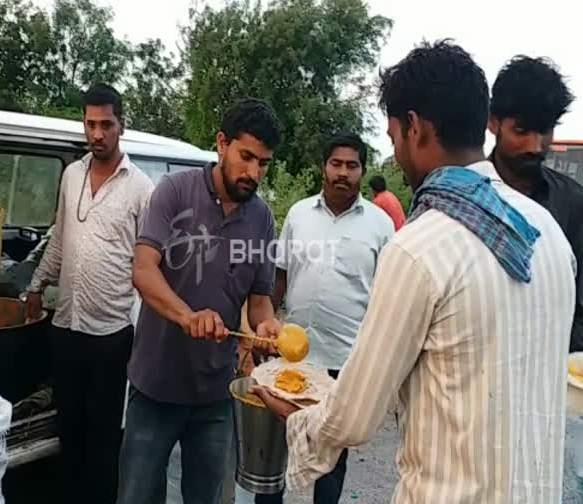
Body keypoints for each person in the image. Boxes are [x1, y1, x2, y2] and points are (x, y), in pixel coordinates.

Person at [251, 40, 576, 502]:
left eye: (392, 138)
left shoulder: (420, 246)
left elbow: (354, 418)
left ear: (414, 127)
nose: (397, 156)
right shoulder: (547, 235)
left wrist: (295, 414)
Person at [118, 98, 284, 504]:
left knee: (206, 498)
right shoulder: (175, 192)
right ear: (222, 143)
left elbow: (259, 300)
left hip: (215, 396)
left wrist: (265, 326)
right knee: (137, 496)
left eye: (263, 163)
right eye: (246, 157)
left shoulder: (261, 218)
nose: (253, 172)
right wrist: (187, 316)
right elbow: (143, 270)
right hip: (155, 387)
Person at [25, 84, 154, 503]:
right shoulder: (71, 175)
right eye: (90, 124)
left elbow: (147, 263)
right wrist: (36, 285)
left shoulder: (141, 188)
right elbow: (60, 240)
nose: (97, 133)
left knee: (103, 442)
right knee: (68, 434)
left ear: (122, 126)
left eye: (106, 124)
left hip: (111, 337)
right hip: (66, 329)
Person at [257, 133, 394, 504]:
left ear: (363, 171)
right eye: (336, 163)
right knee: (274, 454)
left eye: (352, 166)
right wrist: (264, 325)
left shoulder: (381, 227)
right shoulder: (299, 214)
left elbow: (387, 298)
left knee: (331, 459)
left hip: (343, 364)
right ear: (323, 167)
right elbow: (279, 277)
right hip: (291, 358)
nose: (343, 173)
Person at [487, 55, 582, 351]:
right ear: (493, 123)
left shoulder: (573, 203)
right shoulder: (464, 199)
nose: (535, 145)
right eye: (522, 131)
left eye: (545, 131)